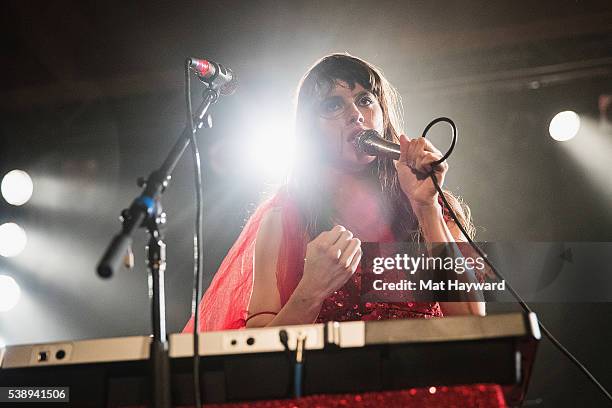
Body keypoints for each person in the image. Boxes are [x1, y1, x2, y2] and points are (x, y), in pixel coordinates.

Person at [183, 53, 485, 334]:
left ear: (383, 116)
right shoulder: (286, 217)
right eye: (332, 105)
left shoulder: (428, 202)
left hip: (429, 383)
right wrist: (310, 291)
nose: (355, 114)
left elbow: (472, 321)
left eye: (365, 100)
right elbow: (257, 348)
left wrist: (427, 207)